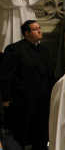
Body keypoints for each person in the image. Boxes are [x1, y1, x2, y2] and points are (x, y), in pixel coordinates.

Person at [0, 20, 54, 150]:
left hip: (42, 99)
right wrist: (6, 98)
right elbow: (6, 76)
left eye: (39, 28)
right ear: (26, 33)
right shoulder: (14, 49)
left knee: (41, 133)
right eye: (35, 29)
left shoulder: (45, 50)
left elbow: (50, 74)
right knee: (22, 134)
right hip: (22, 100)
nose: (40, 31)